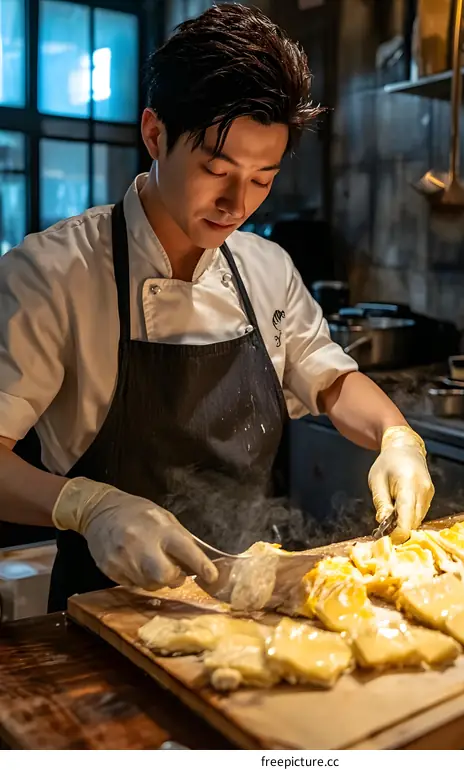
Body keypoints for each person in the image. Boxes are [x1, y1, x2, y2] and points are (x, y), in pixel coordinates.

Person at [0, 3, 434, 611]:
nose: (236, 203)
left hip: (247, 605)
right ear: (154, 133)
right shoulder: (54, 272)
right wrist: (89, 507)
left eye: (262, 179)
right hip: (102, 615)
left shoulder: (265, 267)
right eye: (216, 169)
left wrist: (397, 436)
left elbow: (332, 380)